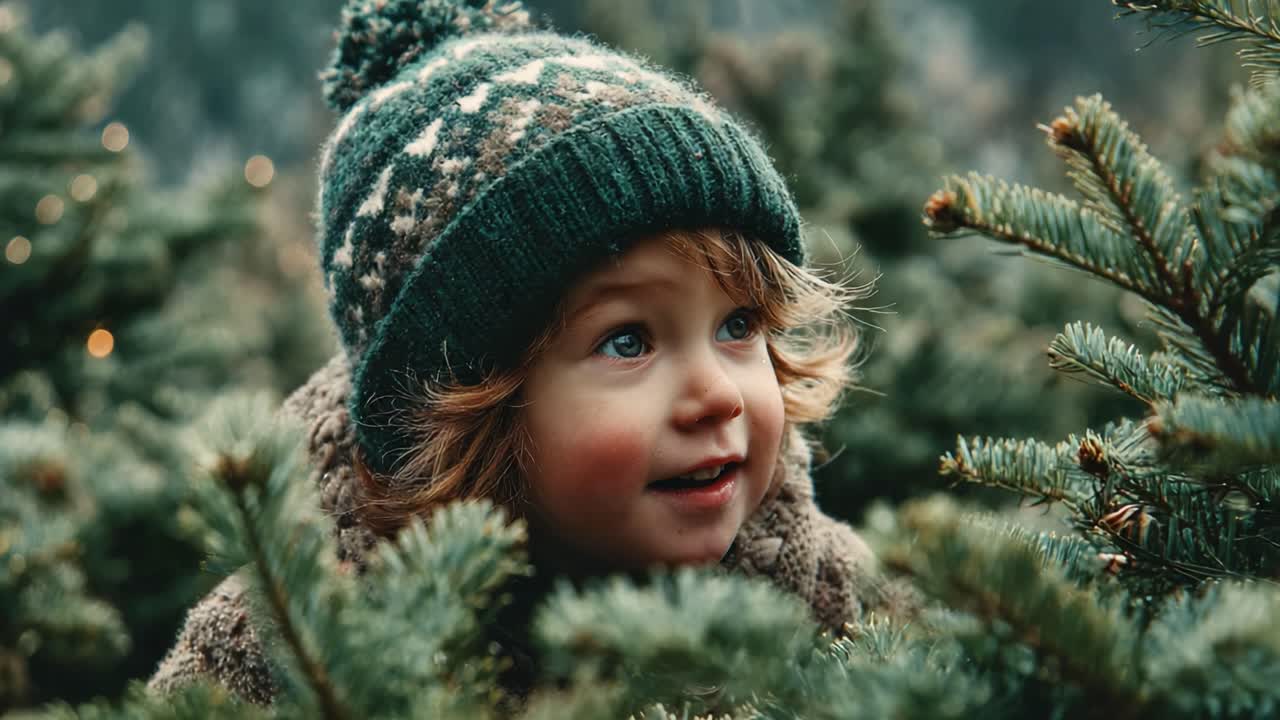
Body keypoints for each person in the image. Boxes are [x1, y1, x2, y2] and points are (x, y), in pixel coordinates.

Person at [148, 0, 917, 705]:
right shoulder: (282, 648)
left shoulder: (836, 600)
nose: (718, 393)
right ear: (466, 409)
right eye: (628, 341)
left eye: (739, 325)